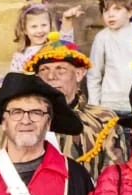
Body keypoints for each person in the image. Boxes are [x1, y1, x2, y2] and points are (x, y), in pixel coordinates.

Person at [29, 33, 123, 169]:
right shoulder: (23, 120)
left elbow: (115, 174)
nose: (51, 76)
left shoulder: (103, 119)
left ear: (78, 74)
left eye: (60, 69)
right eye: (44, 70)